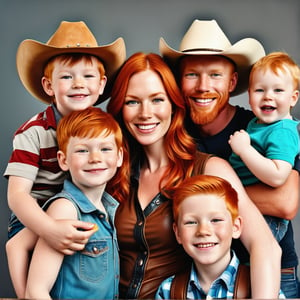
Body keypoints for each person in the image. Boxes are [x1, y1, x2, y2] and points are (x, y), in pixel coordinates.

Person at [107, 52, 281, 299]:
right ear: (119, 109)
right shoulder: (111, 171)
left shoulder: (208, 168)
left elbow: (265, 246)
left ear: (174, 105)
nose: (145, 113)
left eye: (157, 100)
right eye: (132, 102)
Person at [160, 19, 300, 298]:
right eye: (192, 75)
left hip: (272, 270)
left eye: (215, 75)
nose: (203, 86)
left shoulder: (261, 126)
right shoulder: (172, 133)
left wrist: (197, 197)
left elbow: (284, 202)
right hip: (198, 279)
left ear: (233, 81)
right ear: (179, 82)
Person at [3, 20, 126, 298]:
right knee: (18, 247)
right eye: (67, 77)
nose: (78, 84)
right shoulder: (33, 132)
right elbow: (18, 196)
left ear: (101, 84)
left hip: (78, 201)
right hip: (34, 211)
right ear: (49, 85)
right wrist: (49, 229)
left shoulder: (99, 128)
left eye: (88, 76)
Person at [25, 107, 129, 299]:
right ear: (63, 160)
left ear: (119, 157)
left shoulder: (108, 207)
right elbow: (35, 291)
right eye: (82, 150)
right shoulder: (65, 209)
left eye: (105, 149)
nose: (95, 158)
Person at [229, 52, 300, 242]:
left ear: (293, 98)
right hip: (250, 208)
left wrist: (244, 150)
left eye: (278, 90)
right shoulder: (259, 123)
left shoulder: (282, 132)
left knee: (261, 256)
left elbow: (278, 176)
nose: (268, 97)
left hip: (267, 218)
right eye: (260, 90)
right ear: (249, 94)